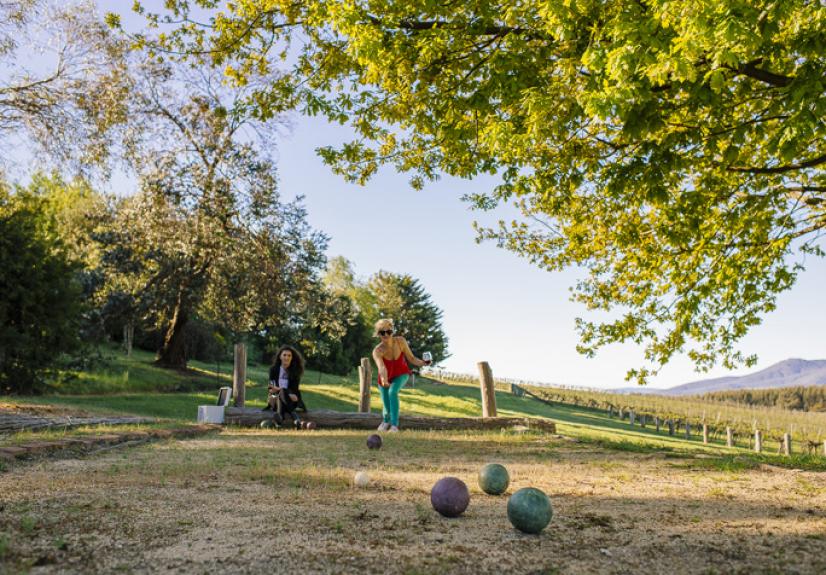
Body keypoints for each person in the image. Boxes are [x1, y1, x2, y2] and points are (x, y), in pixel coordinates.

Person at [372, 318, 431, 432]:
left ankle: (394, 426)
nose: (386, 335)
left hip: (401, 373)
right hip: (385, 376)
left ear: (392, 331)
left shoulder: (400, 341)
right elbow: (382, 367)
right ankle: (386, 421)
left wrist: (423, 363)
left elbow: (412, 358)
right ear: (378, 334)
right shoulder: (377, 351)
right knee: (386, 404)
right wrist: (384, 380)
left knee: (392, 392)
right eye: (382, 332)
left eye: (388, 331)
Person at [264, 345, 306, 429]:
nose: (286, 357)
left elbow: (294, 390)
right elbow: (271, 388)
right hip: (275, 398)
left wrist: (280, 390)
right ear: (280, 357)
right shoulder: (274, 369)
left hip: (291, 399)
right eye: (284, 355)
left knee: (282, 392)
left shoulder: (295, 371)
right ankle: (295, 417)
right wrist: (278, 391)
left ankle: (279, 420)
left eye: (289, 355)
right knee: (281, 393)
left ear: (292, 358)